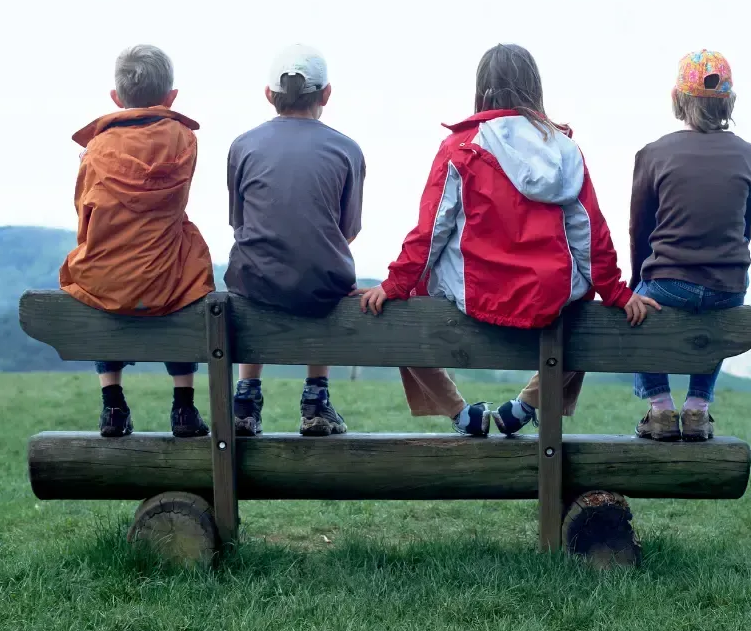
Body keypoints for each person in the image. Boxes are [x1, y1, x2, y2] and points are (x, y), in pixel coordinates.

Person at [358, 43, 659, 436]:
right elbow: (590, 235)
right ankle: (527, 405)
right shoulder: (566, 151)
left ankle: (459, 412)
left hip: (475, 296)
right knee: (587, 315)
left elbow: (431, 232)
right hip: (547, 301)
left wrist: (396, 284)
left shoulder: (460, 148)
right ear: (535, 89)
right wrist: (616, 293)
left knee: (405, 307)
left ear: (481, 90)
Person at [60, 44, 215, 439]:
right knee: (191, 265)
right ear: (172, 97)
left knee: (95, 271)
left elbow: (85, 211)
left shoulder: (96, 148)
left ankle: (113, 404)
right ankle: (183, 406)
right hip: (166, 276)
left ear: (116, 98)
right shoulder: (184, 139)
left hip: (111, 277)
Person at [226, 44, 366, 437]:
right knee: (326, 274)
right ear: (326, 95)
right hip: (321, 286)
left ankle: (246, 399)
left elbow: (239, 222)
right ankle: (316, 400)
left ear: (269, 95)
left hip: (254, 280)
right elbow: (347, 230)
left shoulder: (243, 145)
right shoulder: (347, 149)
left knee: (249, 272)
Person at [629, 50, 751, 442]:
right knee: (716, 316)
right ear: (728, 102)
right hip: (729, 287)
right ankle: (698, 407)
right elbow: (745, 226)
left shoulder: (653, 153)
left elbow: (640, 229)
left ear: (677, 100)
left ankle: (661, 408)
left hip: (670, 283)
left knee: (633, 305)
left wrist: (640, 280)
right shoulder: (749, 155)